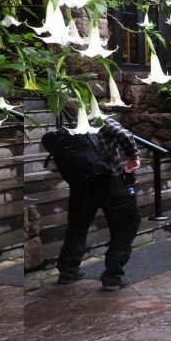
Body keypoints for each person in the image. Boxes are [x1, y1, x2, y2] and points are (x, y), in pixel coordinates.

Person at [56, 116, 142, 291]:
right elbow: (124, 135)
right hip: (111, 182)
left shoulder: (64, 126)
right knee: (124, 226)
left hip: (81, 187)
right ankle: (113, 276)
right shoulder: (99, 119)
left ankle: (68, 271)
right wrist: (133, 156)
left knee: (77, 227)